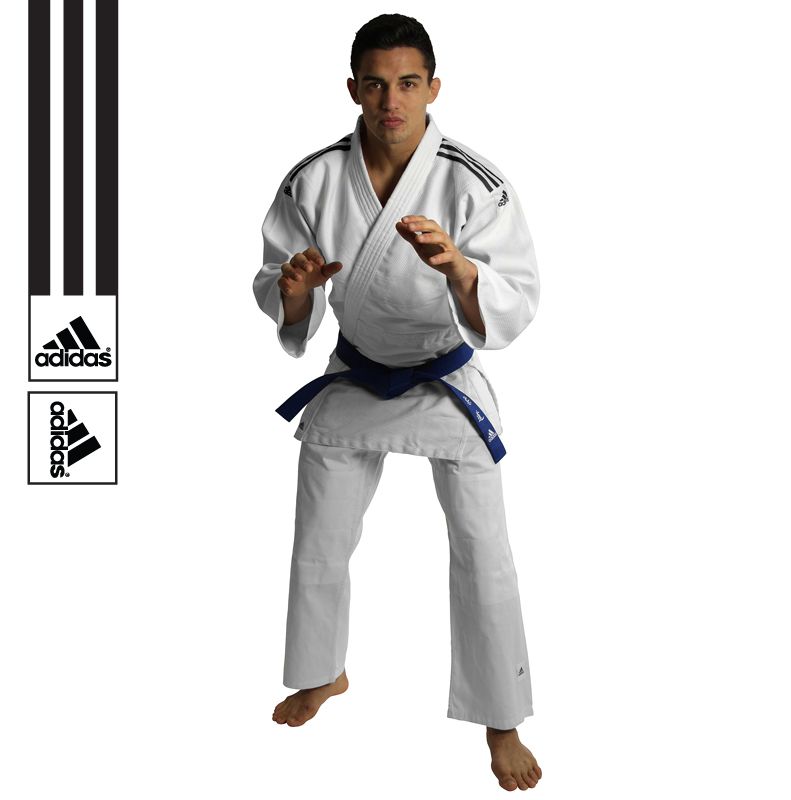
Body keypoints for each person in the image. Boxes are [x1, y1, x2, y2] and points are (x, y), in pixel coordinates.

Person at [253, 14, 542, 792]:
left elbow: (518, 297)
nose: (392, 101)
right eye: (377, 84)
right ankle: (322, 672)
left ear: (433, 88)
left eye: (408, 83)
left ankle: (502, 718)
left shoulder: (474, 182)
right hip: (355, 371)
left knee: (482, 550)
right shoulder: (313, 179)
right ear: (353, 88)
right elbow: (280, 285)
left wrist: (461, 272)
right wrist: (294, 291)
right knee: (319, 536)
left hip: (443, 376)